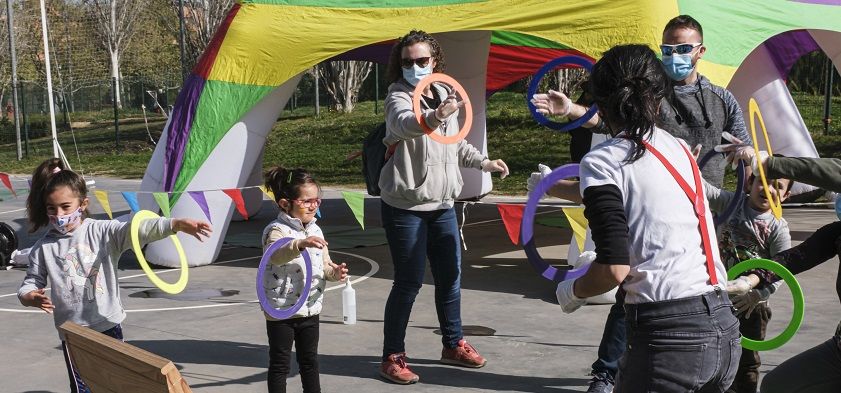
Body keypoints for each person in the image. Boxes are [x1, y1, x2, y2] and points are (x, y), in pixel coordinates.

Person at [531, 15, 753, 392]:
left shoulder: (602, 160)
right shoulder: (680, 149)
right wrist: (554, 184)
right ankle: (606, 372)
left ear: (603, 100)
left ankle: (604, 373)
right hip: (723, 331)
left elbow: (614, 269)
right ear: (657, 93)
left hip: (670, 338)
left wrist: (573, 290)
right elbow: (636, 196)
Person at [378, 29, 509, 385]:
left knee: (450, 279)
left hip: (443, 204)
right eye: (407, 62)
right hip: (405, 205)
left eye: (422, 60)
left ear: (435, 61)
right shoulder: (397, 96)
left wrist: (485, 163)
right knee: (407, 283)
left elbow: (454, 143)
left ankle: (453, 344)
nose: (415, 67)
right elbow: (404, 126)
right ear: (399, 65)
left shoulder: (443, 94)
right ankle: (392, 356)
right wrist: (437, 115)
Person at [17, 158, 212, 393]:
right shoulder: (43, 248)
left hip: (107, 323)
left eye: (65, 207)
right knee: (83, 389)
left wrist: (174, 224)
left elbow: (137, 229)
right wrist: (29, 296)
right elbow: (31, 282)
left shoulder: (102, 232)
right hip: (73, 333)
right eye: (52, 208)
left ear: (82, 203)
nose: (59, 215)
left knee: (115, 385)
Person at [717, 149, 841, 393]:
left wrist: (771, 164)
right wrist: (750, 281)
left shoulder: (776, 226)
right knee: (776, 385)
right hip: (838, 350)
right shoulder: (836, 234)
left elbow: (833, 171)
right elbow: (791, 259)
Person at [704, 167, 793, 393]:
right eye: (763, 181)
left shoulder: (777, 227)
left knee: (747, 361)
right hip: (718, 295)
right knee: (712, 353)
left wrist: (758, 294)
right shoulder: (732, 203)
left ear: (785, 196)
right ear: (749, 183)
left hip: (752, 305)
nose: (769, 189)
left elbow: (783, 268)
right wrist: (691, 166)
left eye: (778, 186)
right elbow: (705, 191)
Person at [261, 166, 348, 393]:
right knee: (280, 364)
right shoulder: (276, 230)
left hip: (310, 308)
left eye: (317, 200)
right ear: (284, 203)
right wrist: (300, 244)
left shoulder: (316, 231)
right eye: (306, 201)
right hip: (281, 310)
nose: (313, 205)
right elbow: (275, 255)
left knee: (310, 362)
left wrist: (335, 272)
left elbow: (324, 265)